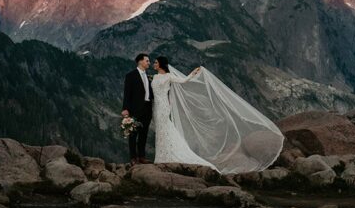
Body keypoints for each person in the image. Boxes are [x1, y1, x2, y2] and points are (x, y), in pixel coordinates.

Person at [149, 56, 284, 174]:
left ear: (161, 64)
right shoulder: (154, 77)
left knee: (165, 127)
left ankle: (168, 155)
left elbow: (184, 81)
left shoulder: (169, 76)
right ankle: (161, 155)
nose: (153, 64)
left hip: (164, 107)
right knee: (161, 129)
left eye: (155, 62)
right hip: (157, 105)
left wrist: (194, 73)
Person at [122, 53, 153, 163]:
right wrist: (125, 108)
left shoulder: (148, 76)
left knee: (144, 133)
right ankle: (133, 158)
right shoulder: (131, 75)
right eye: (147, 61)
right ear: (140, 61)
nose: (149, 63)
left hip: (147, 108)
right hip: (135, 109)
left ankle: (142, 157)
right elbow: (127, 93)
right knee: (133, 133)